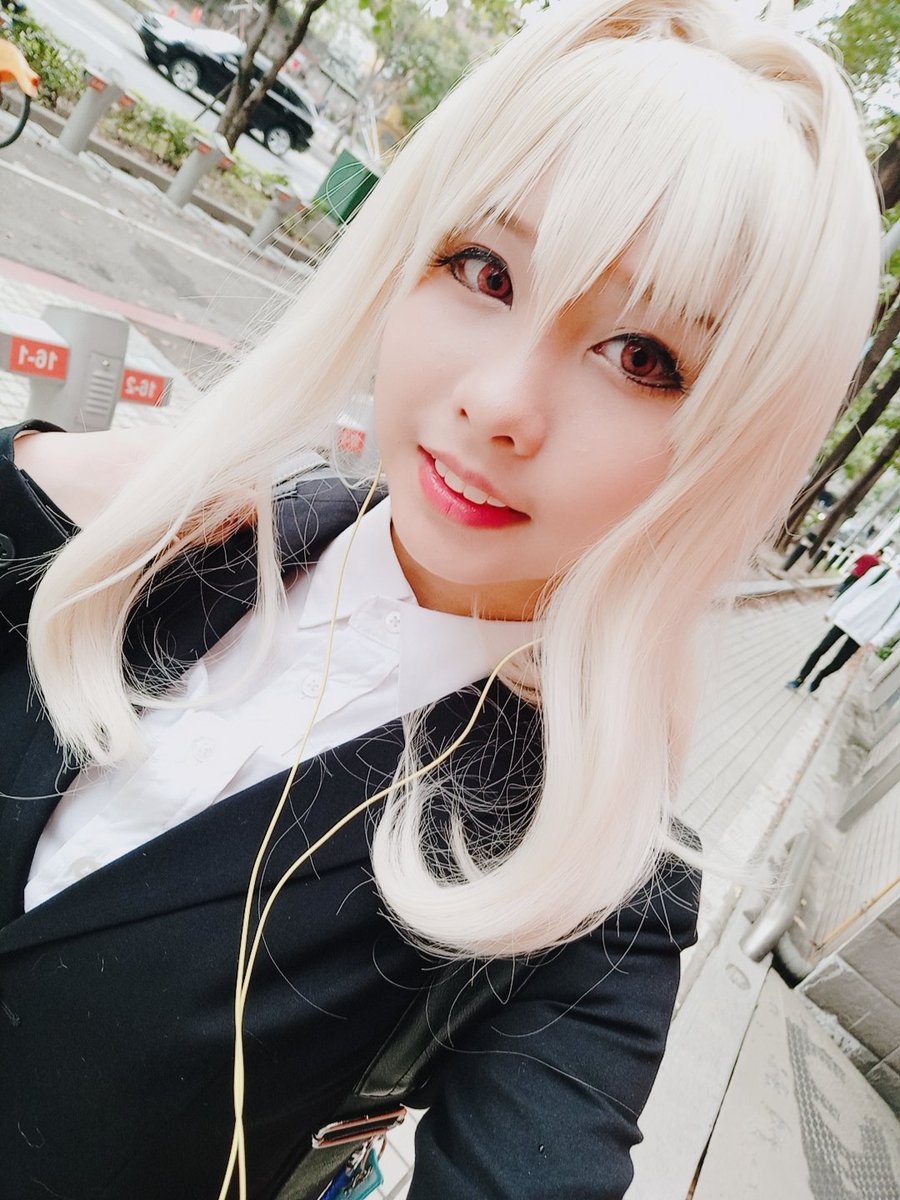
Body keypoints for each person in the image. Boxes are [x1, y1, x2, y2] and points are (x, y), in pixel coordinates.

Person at [0, 1, 881, 1197]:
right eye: (485, 270)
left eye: (642, 357)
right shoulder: (182, 532)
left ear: (729, 447)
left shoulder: (592, 886)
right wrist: (33, 475)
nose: (500, 402)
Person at [787, 563, 900, 693]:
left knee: (838, 663)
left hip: (864, 632)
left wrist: (877, 640)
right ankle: (800, 678)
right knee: (821, 649)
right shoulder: (880, 572)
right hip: (847, 619)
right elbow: (854, 590)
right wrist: (833, 611)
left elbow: (896, 622)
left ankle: (820, 676)